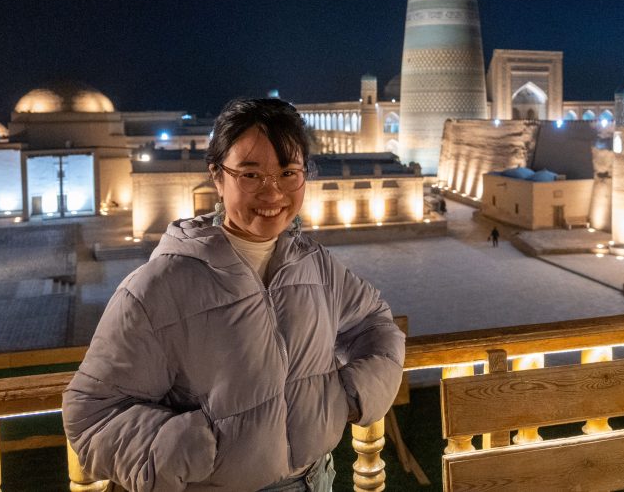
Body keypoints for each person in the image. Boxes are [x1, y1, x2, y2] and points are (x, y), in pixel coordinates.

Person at [63, 98, 405, 492]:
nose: (272, 191)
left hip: (317, 479)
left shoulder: (315, 266)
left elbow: (375, 322)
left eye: (288, 172)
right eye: (251, 174)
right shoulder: (161, 286)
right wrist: (190, 448)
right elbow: (92, 416)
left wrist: (352, 394)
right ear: (217, 177)